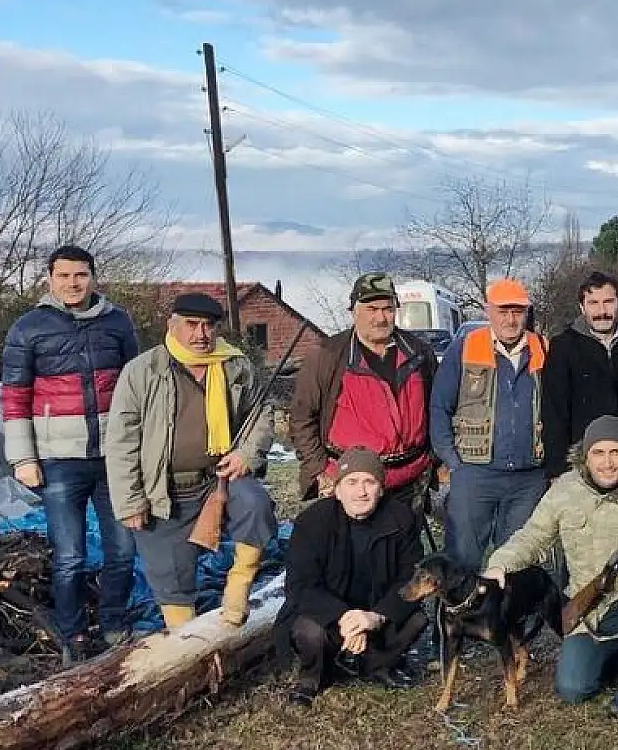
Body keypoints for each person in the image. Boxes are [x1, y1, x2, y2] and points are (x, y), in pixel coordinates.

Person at [484, 416, 618, 714]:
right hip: (591, 610)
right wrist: (500, 563)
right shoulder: (565, 489)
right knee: (573, 688)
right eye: (599, 453)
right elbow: (534, 536)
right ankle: (616, 653)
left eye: (616, 453)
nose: (607, 463)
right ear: (586, 455)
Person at [0, 244, 140, 658]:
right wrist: (24, 458)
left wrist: (137, 448)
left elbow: (135, 388)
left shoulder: (117, 322)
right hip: (58, 461)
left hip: (113, 457)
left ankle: (115, 623)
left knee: (123, 551)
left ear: (93, 277)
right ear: (50, 279)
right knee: (69, 556)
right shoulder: (29, 328)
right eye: (63, 276)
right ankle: (73, 634)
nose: (72, 284)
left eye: (80, 275)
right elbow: (14, 397)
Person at [105, 292, 277, 628]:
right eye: (191, 325)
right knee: (169, 576)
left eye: (208, 326)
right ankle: (186, 645)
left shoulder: (236, 366)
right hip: (162, 490)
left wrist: (246, 453)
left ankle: (238, 590)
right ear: (173, 325)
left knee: (256, 505)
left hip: (218, 480)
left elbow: (261, 414)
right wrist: (130, 501)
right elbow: (121, 441)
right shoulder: (141, 371)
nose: (200, 334)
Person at [273, 447, 429, 706]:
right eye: (352, 482)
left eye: (370, 482)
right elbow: (300, 586)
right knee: (308, 630)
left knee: (416, 618)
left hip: (374, 612)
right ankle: (311, 678)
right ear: (337, 489)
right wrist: (344, 617)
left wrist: (375, 617)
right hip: (330, 615)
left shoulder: (402, 518)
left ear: (381, 488)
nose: (361, 491)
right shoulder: (312, 522)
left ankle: (377, 665)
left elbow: (410, 578)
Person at [429, 278, 550, 572]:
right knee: (461, 563)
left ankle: (506, 619)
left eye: (517, 311)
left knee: (516, 565)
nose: (510, 319)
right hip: (474, 475)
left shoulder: (544, 349)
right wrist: (453, 462)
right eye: (503, 311)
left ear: (527, 312)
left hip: (528, 480)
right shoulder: (464, 348)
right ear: (488, 311)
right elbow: (439, 407)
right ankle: (455, 618)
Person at [292, 272, 437, 504]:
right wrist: (319, 468)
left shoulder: (419, 353)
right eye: (372, 309)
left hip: (409, 479)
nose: (381, 318)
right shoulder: (328, 356)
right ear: (354, 311)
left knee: (403, 539)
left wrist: (434, 459)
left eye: (388, 309)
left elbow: (437, 411)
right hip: (350, 480)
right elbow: (302, 418)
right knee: (348, 540)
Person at [541, 271, 618, 479]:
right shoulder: (563, 347)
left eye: (608, 302)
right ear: (582, 307)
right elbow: (554, 412)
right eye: (593, 303)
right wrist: (558, 471)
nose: (602, 311)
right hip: (582, 464)